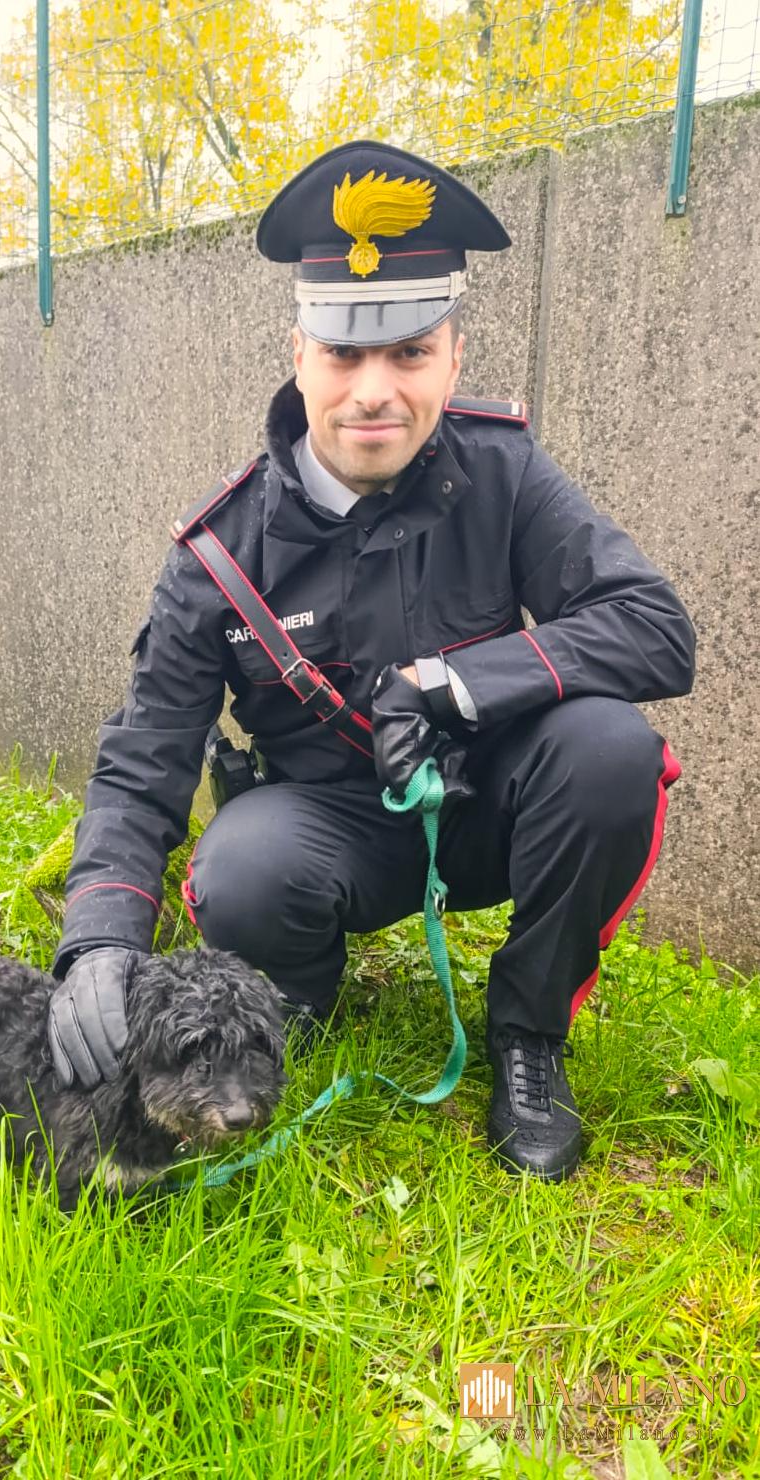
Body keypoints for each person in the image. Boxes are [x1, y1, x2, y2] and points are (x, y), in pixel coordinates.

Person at [45, 140, 696, 1181]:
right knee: (244, 869)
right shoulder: (218, 551)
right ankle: (296, 996)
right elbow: (144, 757)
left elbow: (653, 626)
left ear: (452, 354)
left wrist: (459, 683)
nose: (373, 391)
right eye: (344, 355)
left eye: (408, 352)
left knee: (610, 748)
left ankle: (526, 1036)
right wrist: (98, 939)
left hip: (486, 803)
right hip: (328, 832)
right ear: (300, 353)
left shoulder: (503, 473)